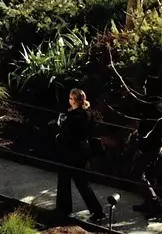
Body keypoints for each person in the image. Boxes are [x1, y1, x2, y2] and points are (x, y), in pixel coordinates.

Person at [53, 88, 114, 222]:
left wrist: (59, 134)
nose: (69, 101)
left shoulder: (73, 116)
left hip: (70, 151)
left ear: (74, 101)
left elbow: (65, 134)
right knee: (82, 182)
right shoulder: (87, 115)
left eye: (70, 98)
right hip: (82, 151)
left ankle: (64, 209)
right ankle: (97, 211)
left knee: (64, 179)